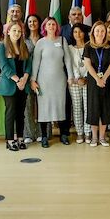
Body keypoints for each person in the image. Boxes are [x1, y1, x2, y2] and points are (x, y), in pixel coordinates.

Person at [30, 17, 73, 148]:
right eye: (49, 24)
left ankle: (63, 134)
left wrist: (70, 76)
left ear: (57, 27)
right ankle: (44, 136)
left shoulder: (62, 40)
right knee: (44, 108)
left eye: (53, 24)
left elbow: (68, 60)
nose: (51, 26)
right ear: (44, 27)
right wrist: (33, 79)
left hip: (60, 80)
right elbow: (36, 62)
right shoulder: (41, 42)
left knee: (61, 107)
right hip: (44, 81)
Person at [0, 22, 32, 151]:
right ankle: (10, 140)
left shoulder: (23, 46)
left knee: (20, 113)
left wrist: (25, 79)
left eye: (19, 31)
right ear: (8, 32)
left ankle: (20, 138)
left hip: (23, 84)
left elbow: (29, 64)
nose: (17, 33)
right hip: (9, 85)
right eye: (14, 30)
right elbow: (4, 66)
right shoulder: (2, 47)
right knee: (10, 113)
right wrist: (17, 80)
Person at [83, 21, 110, 147]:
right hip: (93, 81)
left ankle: (102, 137)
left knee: (105, 108)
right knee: (94, 108)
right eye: (97, 30)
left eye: (102, 31)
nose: (100, 33)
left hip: (107, 81)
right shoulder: (88, 46)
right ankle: (94, 137)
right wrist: (97, 79)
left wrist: (104, 78)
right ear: (93, 32)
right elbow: (87, 64)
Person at [68, 23, 91, 144]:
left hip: (88, 81)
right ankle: (80, 132)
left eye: (80, 31)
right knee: (77, 107)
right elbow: (71, 64)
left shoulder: (90, 46)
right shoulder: (70, 48)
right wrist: (77, 78)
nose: (78, 34)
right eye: (75, 32)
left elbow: (91, 64)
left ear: (84, 33)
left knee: (88, 107)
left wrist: (86, 77)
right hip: (75, 82)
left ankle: (87, 132)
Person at [23, 14, 42, 143]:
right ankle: (29, 134)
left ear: (39, 23)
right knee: (28, 106)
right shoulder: (23, 40)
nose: (32, 24)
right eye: (30, 21)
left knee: (42, 106)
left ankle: (43, 133)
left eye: (35, 21)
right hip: (27, 76)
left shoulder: (44, 39)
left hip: (43, 76)